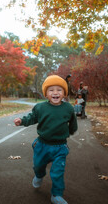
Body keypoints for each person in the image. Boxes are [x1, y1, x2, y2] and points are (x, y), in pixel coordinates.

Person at [14, 75, 78, 204]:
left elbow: (73, 123)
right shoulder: (40, 107)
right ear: (46, 94)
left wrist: (71, 131)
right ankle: (39, 175)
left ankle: (56, 195)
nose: (55, 92)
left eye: (59, 90)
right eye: (51, 90)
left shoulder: (68, 108)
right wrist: (21, 121)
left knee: (58, 172)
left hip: (60, 147)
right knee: (38, 166)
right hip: (42, 145)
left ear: (64, 93)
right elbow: (32, 117)